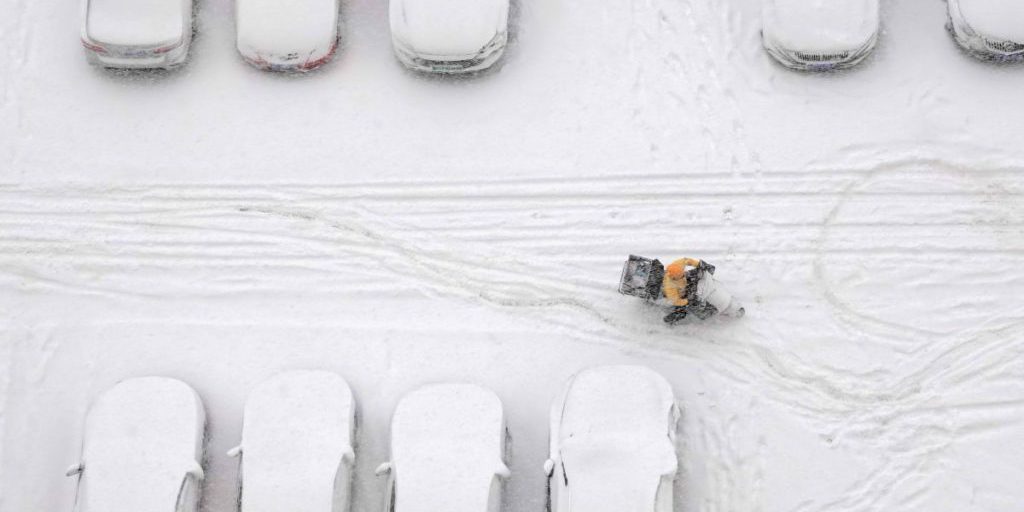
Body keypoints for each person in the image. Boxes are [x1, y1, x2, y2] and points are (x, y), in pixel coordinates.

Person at [661, 258, 703, 324]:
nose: (682, 275)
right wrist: (688, 300)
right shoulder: (669, 286)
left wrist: (699, 264)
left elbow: (686, 260)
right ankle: (668, 320)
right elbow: (675, 301)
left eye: (682, 273)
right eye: (680, 276)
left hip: (684, 283)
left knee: (697, 272)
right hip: (679, 294)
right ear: (674, 278)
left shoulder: (677, 265)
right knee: (682, 312)